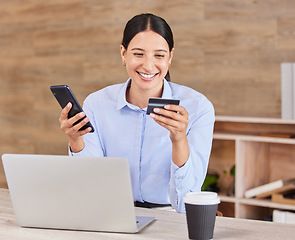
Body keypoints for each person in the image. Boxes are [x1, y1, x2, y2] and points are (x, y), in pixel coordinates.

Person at [59, 13, 215, 213]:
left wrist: (179, 139)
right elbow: (89, 187)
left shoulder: (198, 108)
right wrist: (75, 140)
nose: (148, 66)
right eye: (138, 54)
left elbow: (185, 204)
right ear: (123, 54)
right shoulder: (97, 104)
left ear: (170, 57)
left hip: (170, 217)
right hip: (112, 213)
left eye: (159, 55)